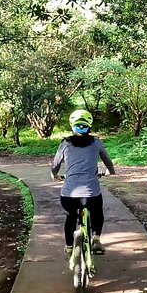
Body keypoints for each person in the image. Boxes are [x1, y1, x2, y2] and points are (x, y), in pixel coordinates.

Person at [51, 109, 116, 257]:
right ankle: (96, 238)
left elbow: (55, 165)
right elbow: (107, 161)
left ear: (72, 125)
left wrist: (55, 175)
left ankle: (68, 248)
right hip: (91, 194)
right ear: (90, 125)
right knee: (97, 213)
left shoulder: (65, 143)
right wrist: (110, 172)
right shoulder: (96, 142)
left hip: (68, 195)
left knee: (70, 217)